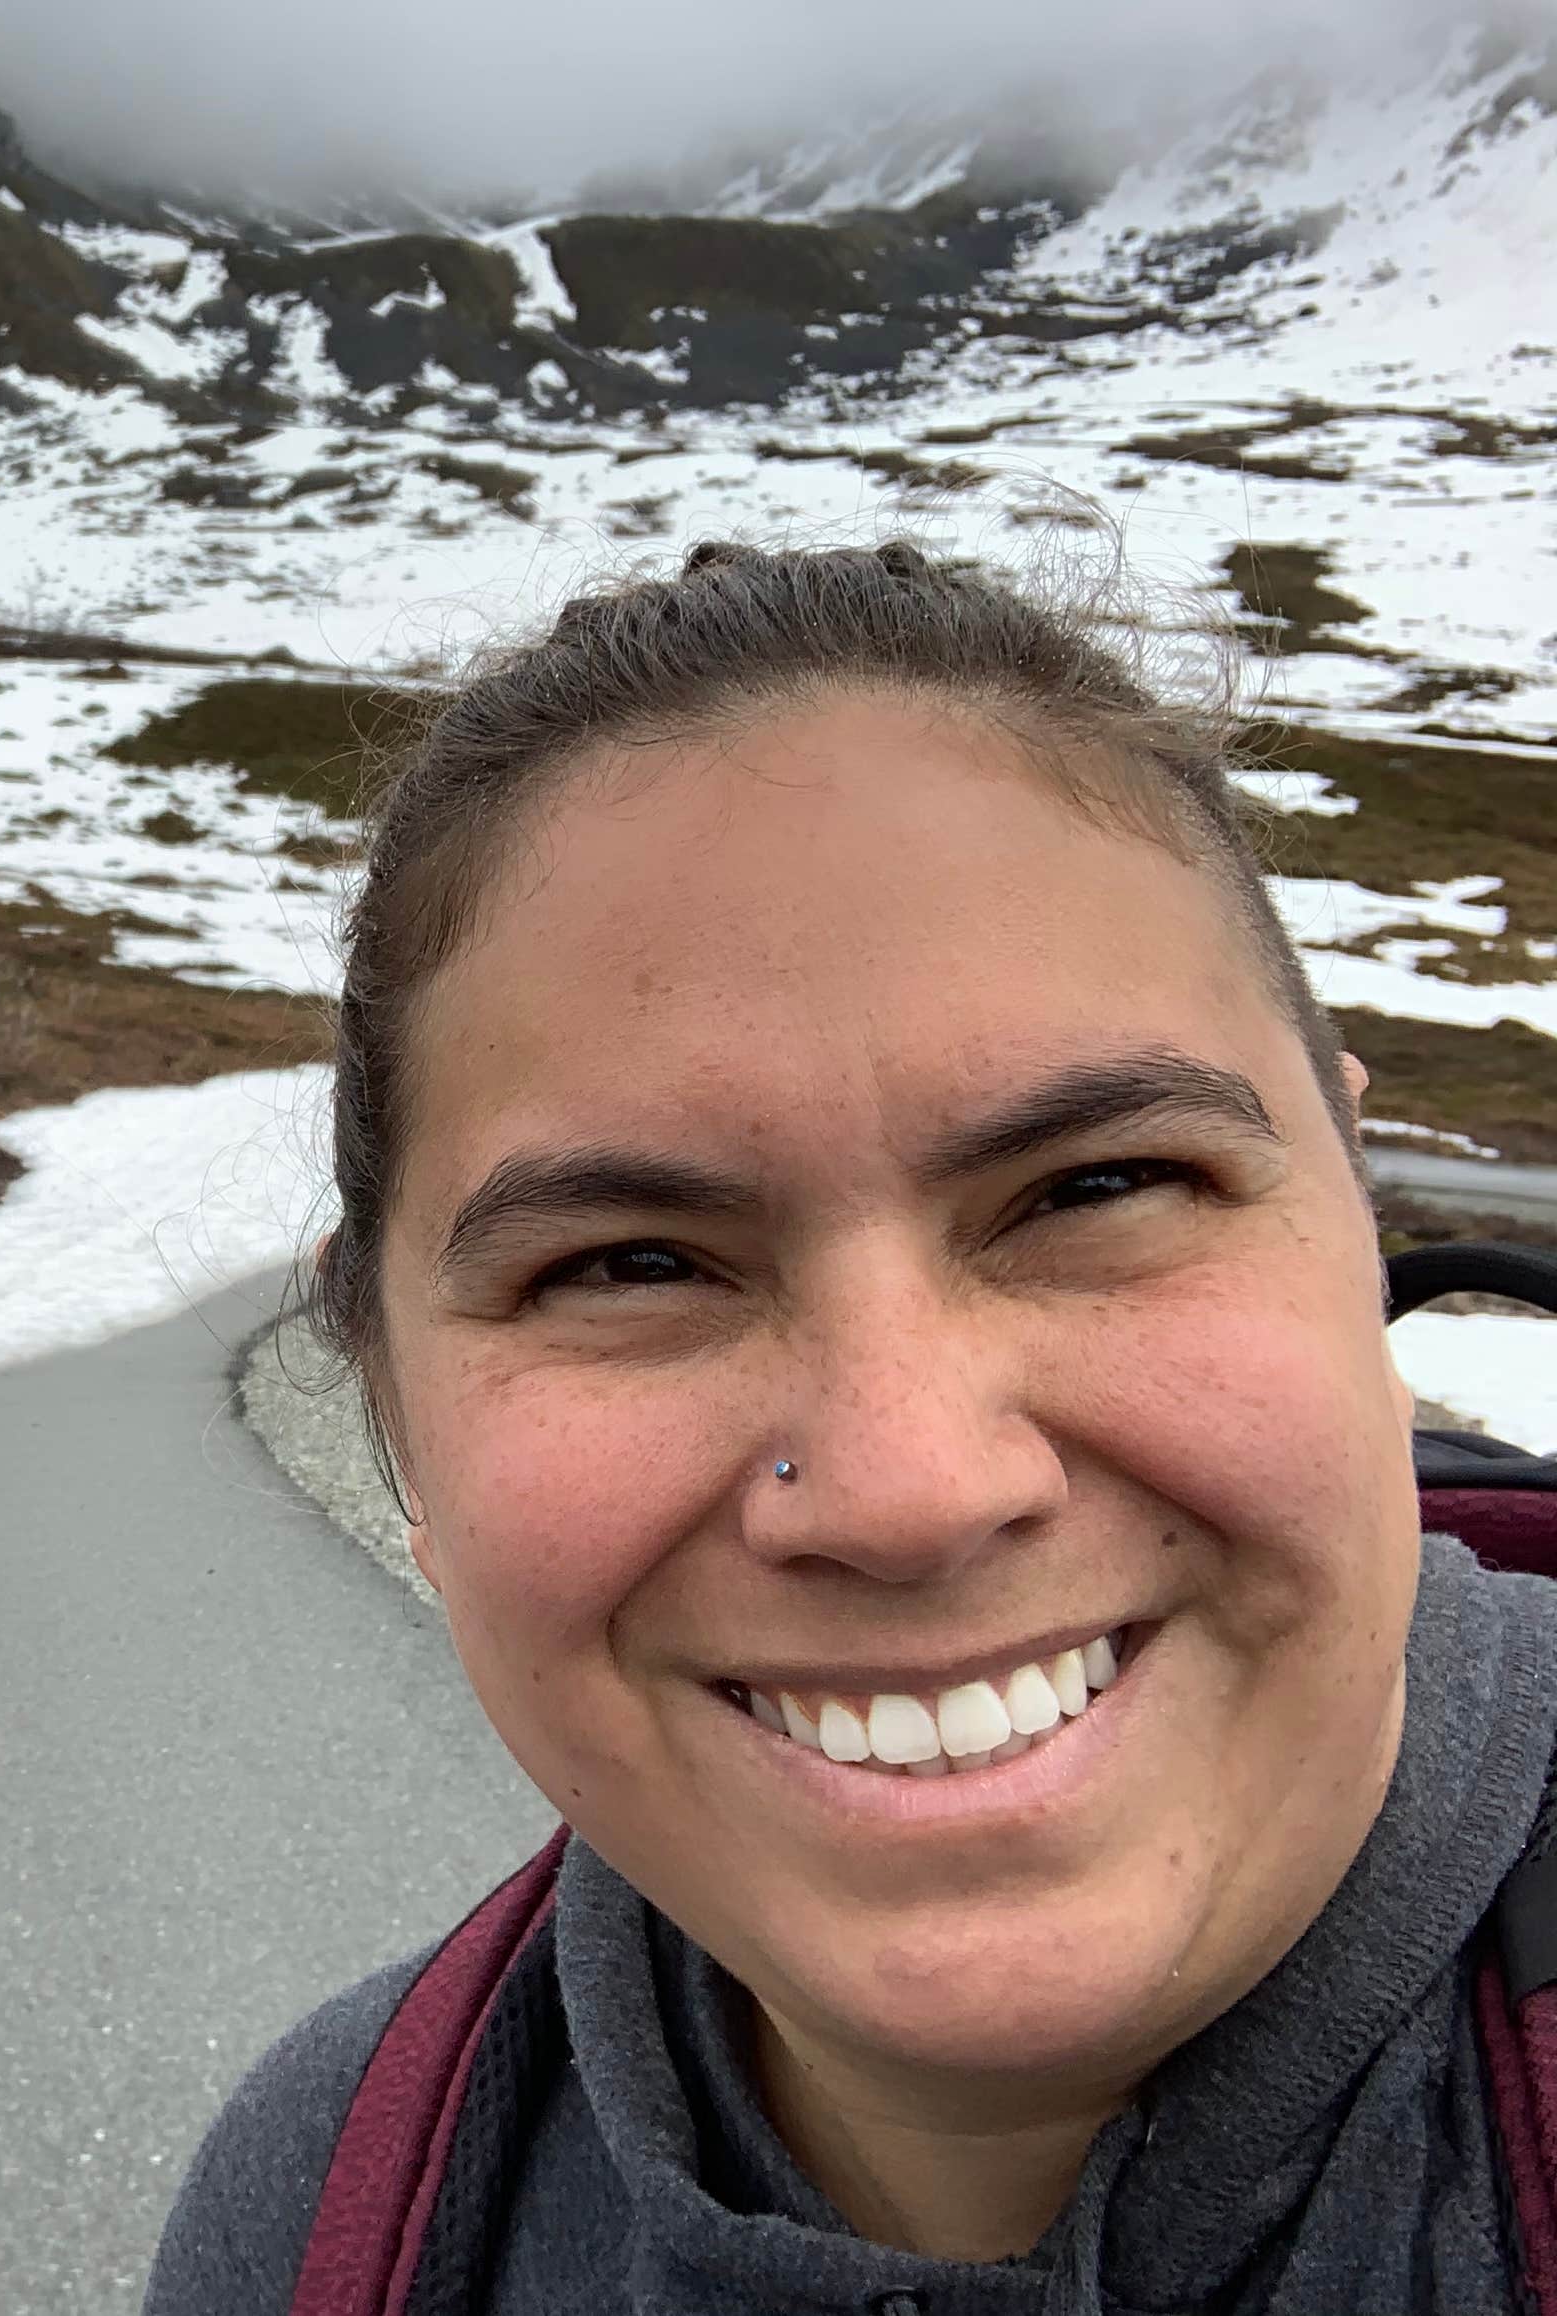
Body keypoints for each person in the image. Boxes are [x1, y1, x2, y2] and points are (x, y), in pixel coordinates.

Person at [147, 540, 1557, 2311]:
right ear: (394, 1414)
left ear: (1353, 1206)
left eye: (1095, 1184)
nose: (906, 1488)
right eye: (630, 1263)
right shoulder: (324, 2204)